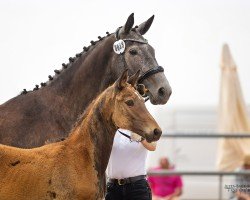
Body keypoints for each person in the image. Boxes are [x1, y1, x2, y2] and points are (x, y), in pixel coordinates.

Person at [105, 129, 157, 200]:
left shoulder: (143, 128)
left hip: (137, 187)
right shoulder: (110, 128)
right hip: (113, 187)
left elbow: (153, 146)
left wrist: (141, 138)